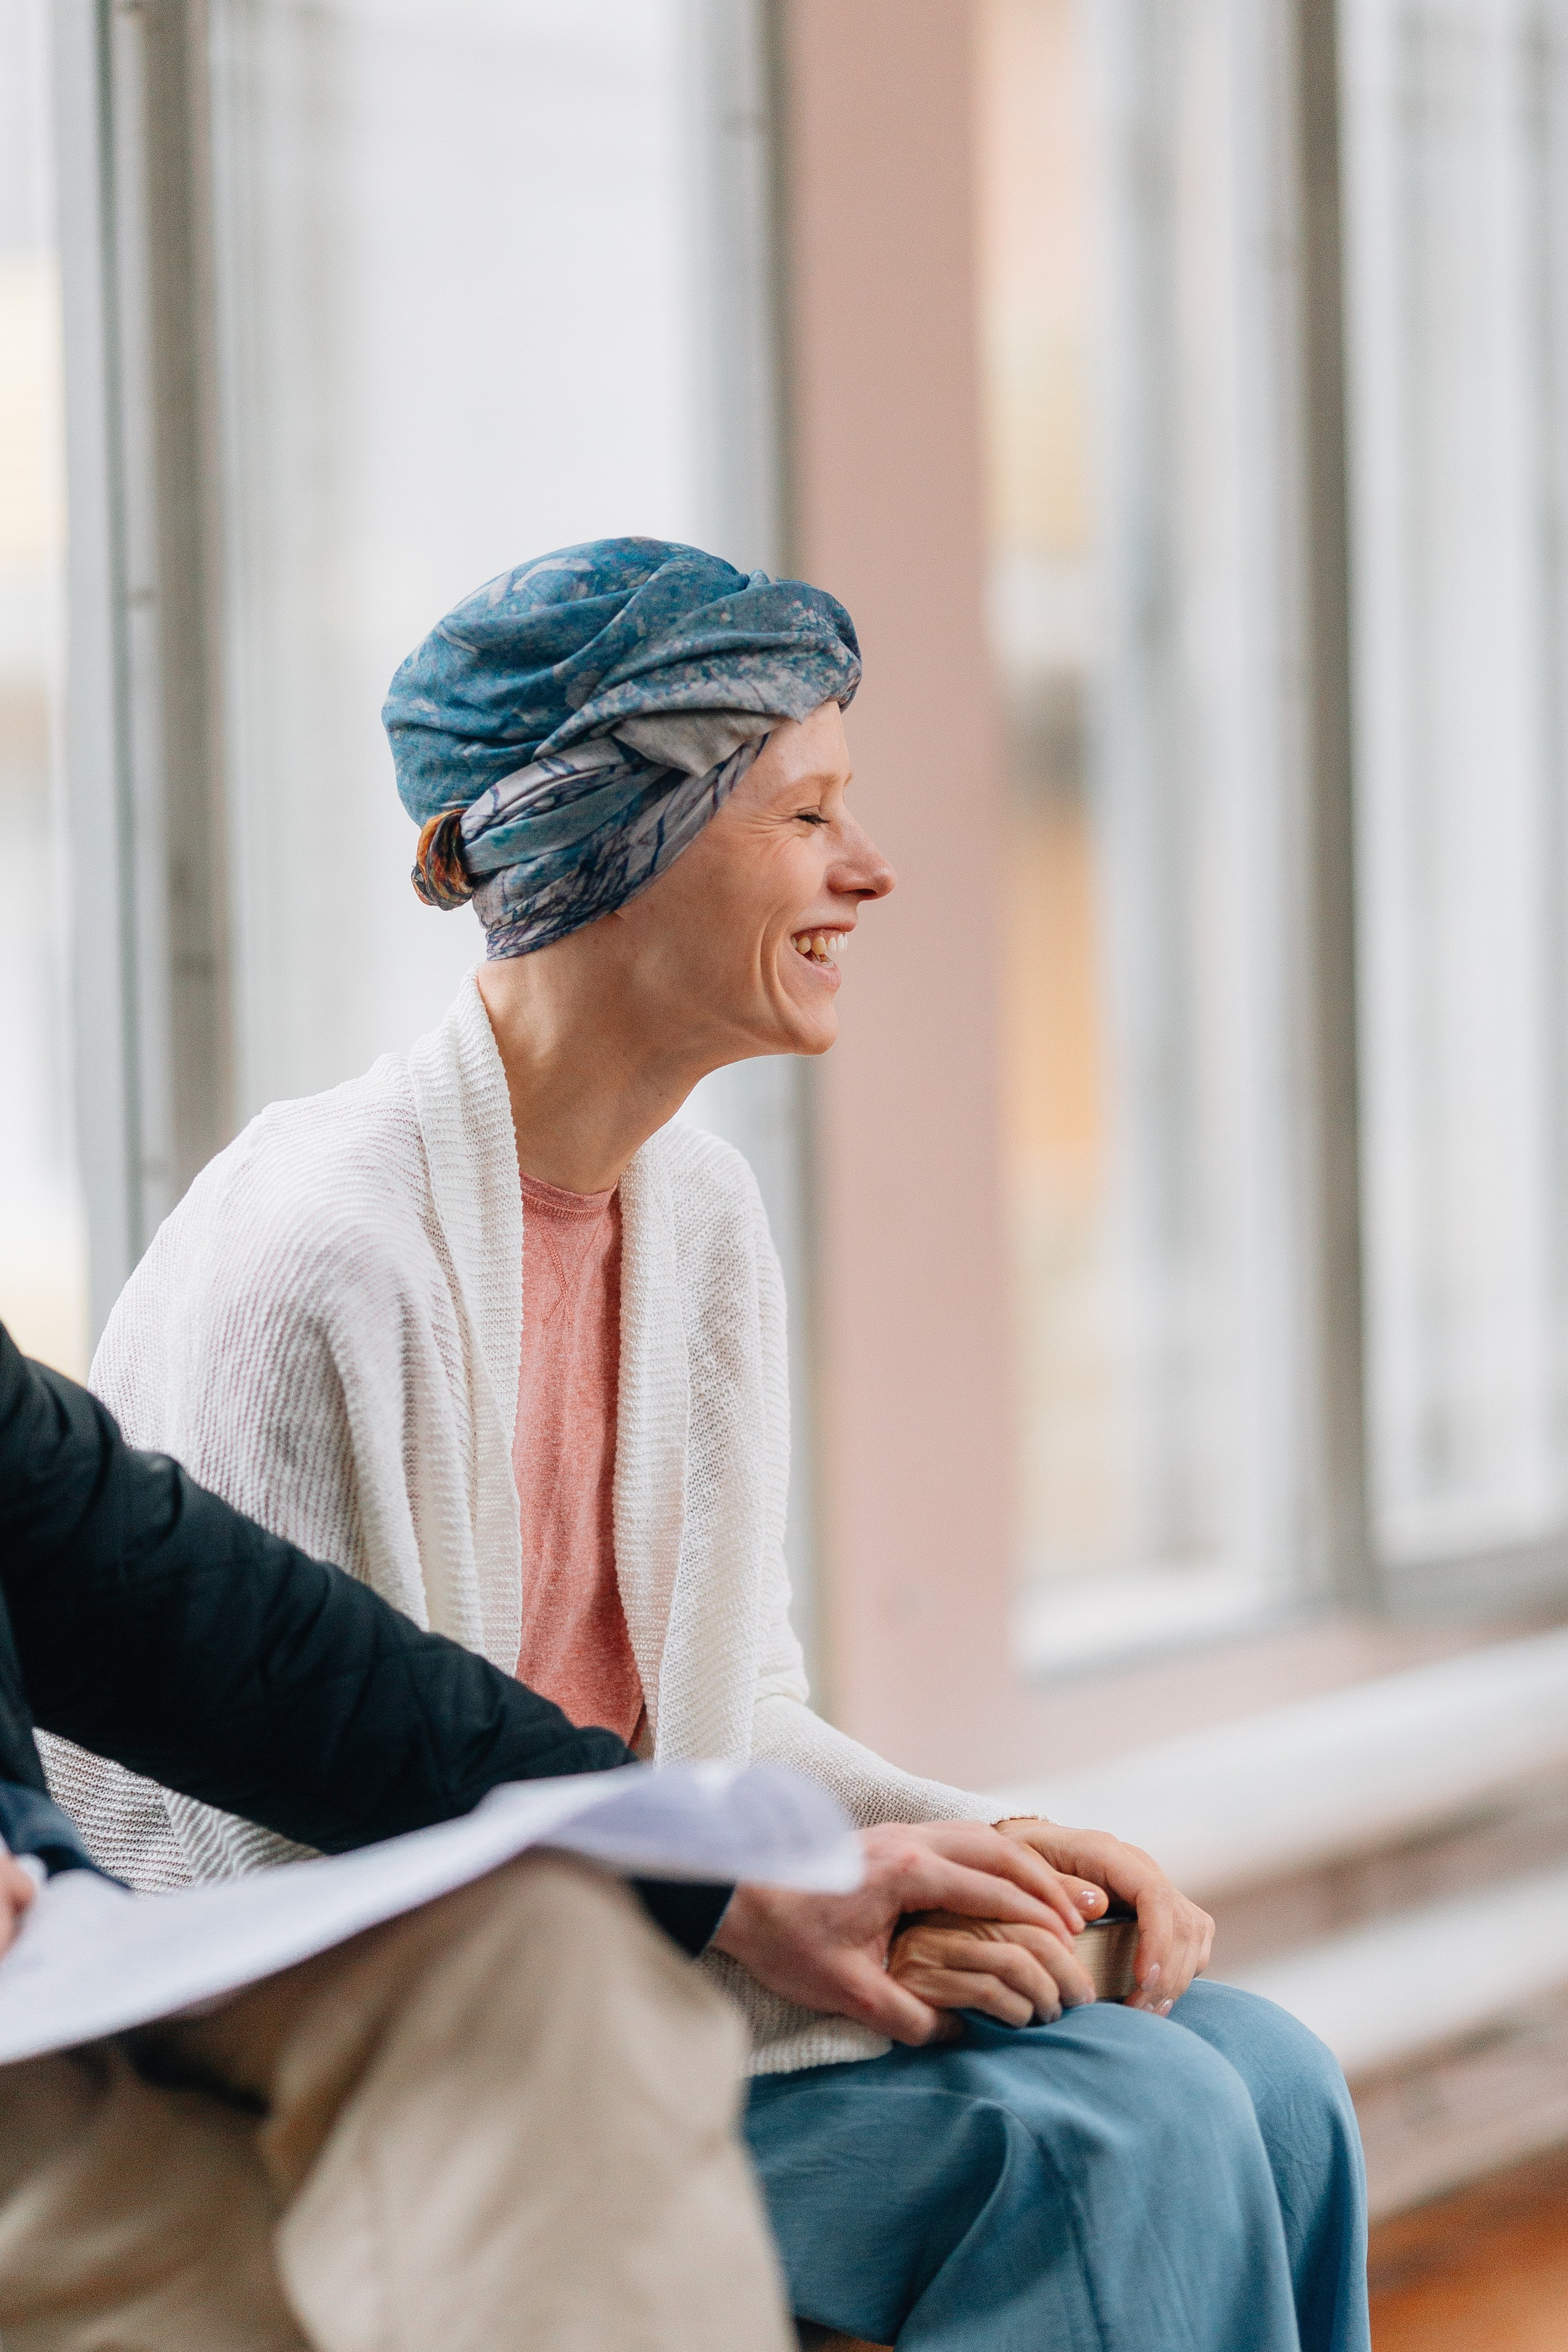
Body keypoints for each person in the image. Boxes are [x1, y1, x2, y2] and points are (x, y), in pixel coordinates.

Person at [67, 540, 1371, 2351]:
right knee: (1109, 2139)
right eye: (808, 813)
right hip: (383, 2088)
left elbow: (725, 1720)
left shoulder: (696, 1214)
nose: (874, 868)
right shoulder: (321, 1256)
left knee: (1270, 2076)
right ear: (623, 841)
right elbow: (273, 1894)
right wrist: (809, 1937)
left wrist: (990, 1851)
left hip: (654, 1961)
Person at [0, 1317, 1076, 2352]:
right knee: (217, 2264)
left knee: (541, 1944)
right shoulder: (330, 1247)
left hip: (60, 1956)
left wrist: (733, 1884)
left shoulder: (705, 1229)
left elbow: (214, 1624)